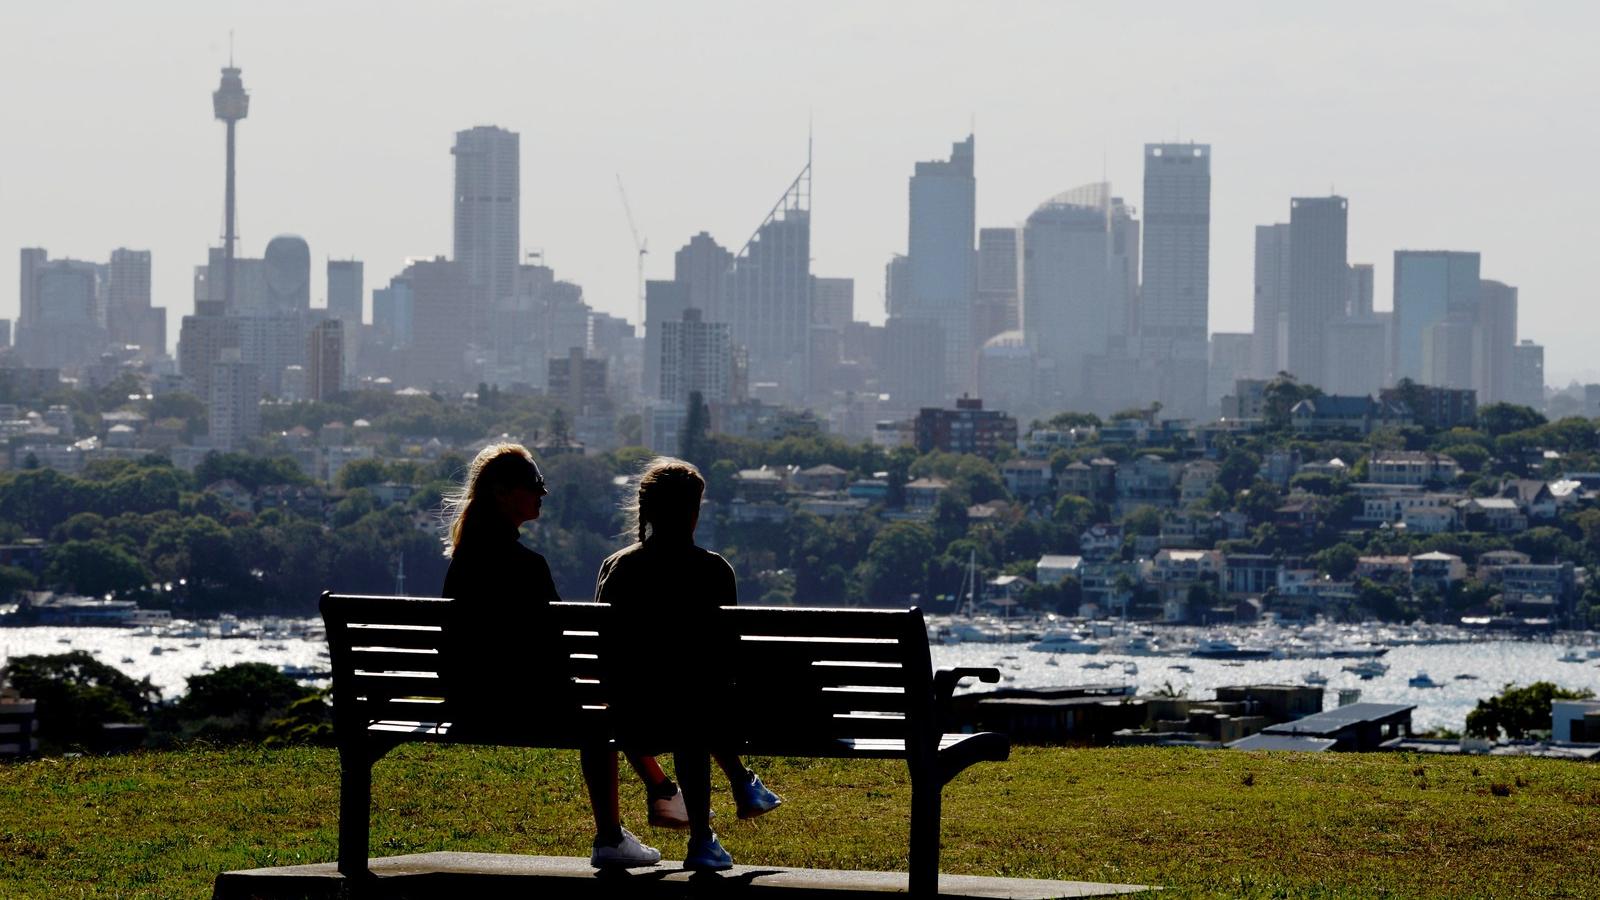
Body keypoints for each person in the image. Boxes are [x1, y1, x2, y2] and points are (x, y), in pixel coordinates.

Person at [440, 442, 660, 870]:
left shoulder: (463, 562)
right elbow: (560, 652)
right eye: (534, 486)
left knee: (600, 707)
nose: (542, 494)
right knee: (603, 714)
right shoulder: (526, 566)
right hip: (517, 706)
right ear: (503, 493)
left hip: (468, 703)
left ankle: (661, 790)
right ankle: (616, 832)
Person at [595, 457, 782, 872]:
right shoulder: (713, 570)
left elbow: (606, 654)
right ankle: (708, 829)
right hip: (695, 716)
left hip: (630, 717)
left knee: (685, 698)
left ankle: (740, 789)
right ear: (695, 513)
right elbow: (727, 659)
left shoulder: (617, 567)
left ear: (646, 512)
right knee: (693, 702)